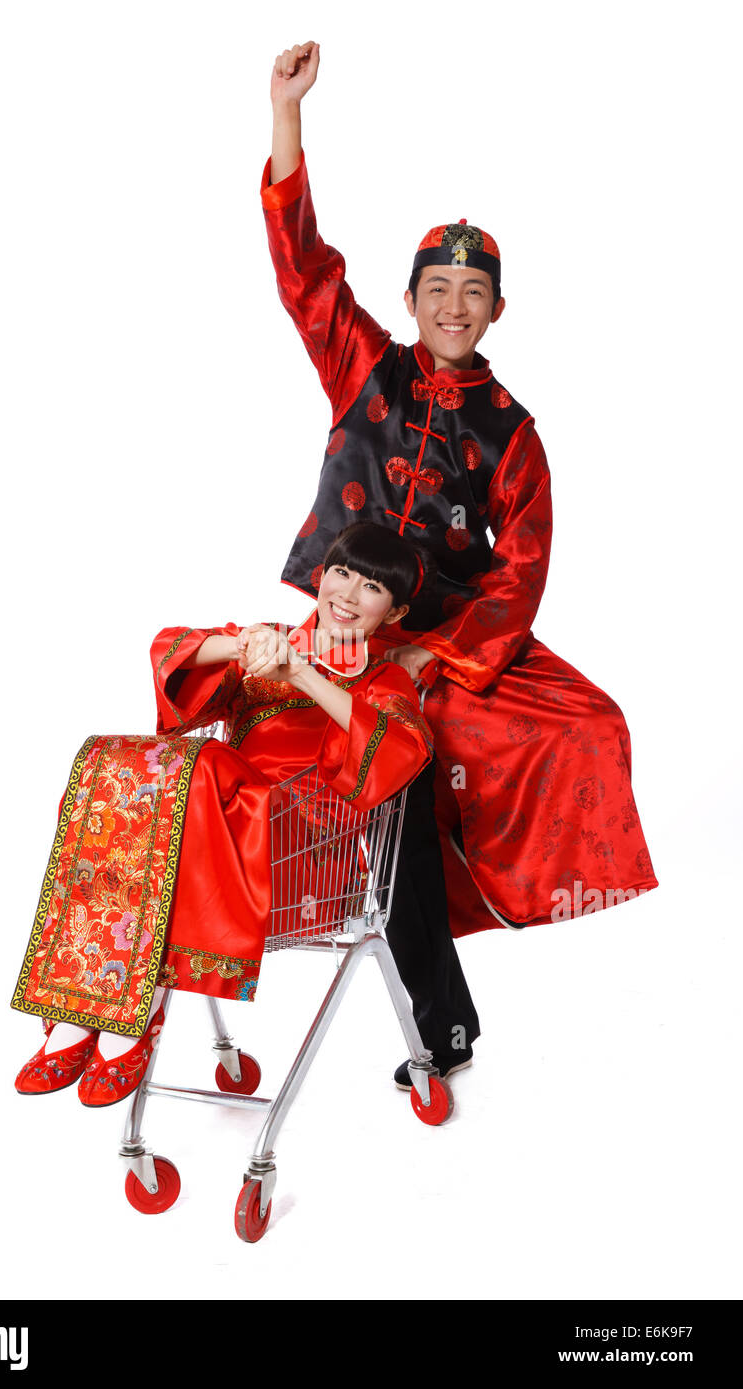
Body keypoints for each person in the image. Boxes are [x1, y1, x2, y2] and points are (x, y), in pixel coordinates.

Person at [262, 43, 658, 1073]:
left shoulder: (513, 430)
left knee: (527, 756)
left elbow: (517, 570)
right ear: (408, 300)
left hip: (433, 653)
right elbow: (303, 267)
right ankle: (262, 984)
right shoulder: (360, 369)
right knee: (290, 790)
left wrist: (432, 660)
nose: (452, 304)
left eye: (470, 291)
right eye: (435, 286)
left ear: (495, 310)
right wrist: (286, 115)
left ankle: (440, 1031)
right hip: (341, 635)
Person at [11, 523, 440, 1105]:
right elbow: (172, 647)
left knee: (202, 764)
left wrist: (302, 674)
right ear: (320, 578)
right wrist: (246, 645)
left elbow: (397, 752)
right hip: (210, 838)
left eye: (371, 587)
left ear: (393, 614)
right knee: (115, 757)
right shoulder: (272, 643)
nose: (348, 593)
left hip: (300, 858)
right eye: (341, 573)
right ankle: (91, 1004)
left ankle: (130, 1009)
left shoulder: (386, 679)